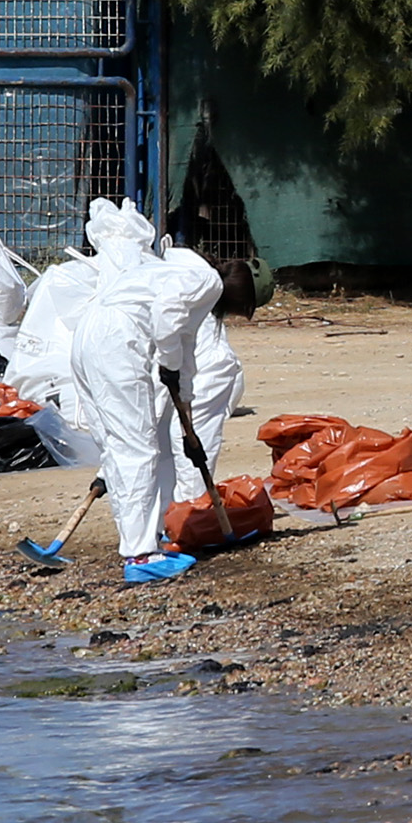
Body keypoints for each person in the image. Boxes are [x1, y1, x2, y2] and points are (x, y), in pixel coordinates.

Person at [65, 210, 252, 584]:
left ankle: (144, 538)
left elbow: (184, 348)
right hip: (118, 342)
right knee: (137, 449)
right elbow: (167, 319)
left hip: (88, 337)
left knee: (121, 447)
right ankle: (140, 555)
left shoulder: (178, 271)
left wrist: (181, 395)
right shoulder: (206, 283)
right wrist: (167, 364)